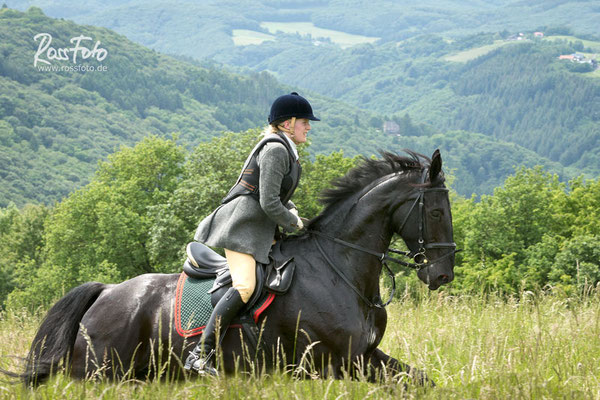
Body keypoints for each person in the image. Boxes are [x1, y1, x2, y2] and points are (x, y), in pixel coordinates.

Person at [184, 92, 319, 376]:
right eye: (304, 122)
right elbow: (270, 202)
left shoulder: (285, 149)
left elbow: (280, 198)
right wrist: (294, 223)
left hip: (261, 229)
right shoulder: (276, 150)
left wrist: (299, 217)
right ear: (287, 124)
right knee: (245, 286)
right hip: (243, 229)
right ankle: (200, 355)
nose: (308, 127)